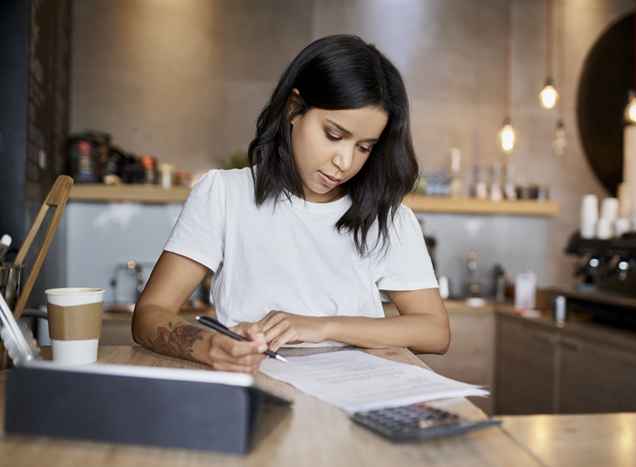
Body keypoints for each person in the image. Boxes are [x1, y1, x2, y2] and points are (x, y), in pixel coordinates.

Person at [132, 34, 450, 373]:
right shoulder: (224, 194)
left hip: (359, 398)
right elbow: (149, 314)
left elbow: (435, 331)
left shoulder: (387, 217)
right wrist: (209, 346)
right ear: (294, 109)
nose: (345, 161)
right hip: (257, 385)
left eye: (364, 147)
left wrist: (320, 327)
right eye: (334, 135)